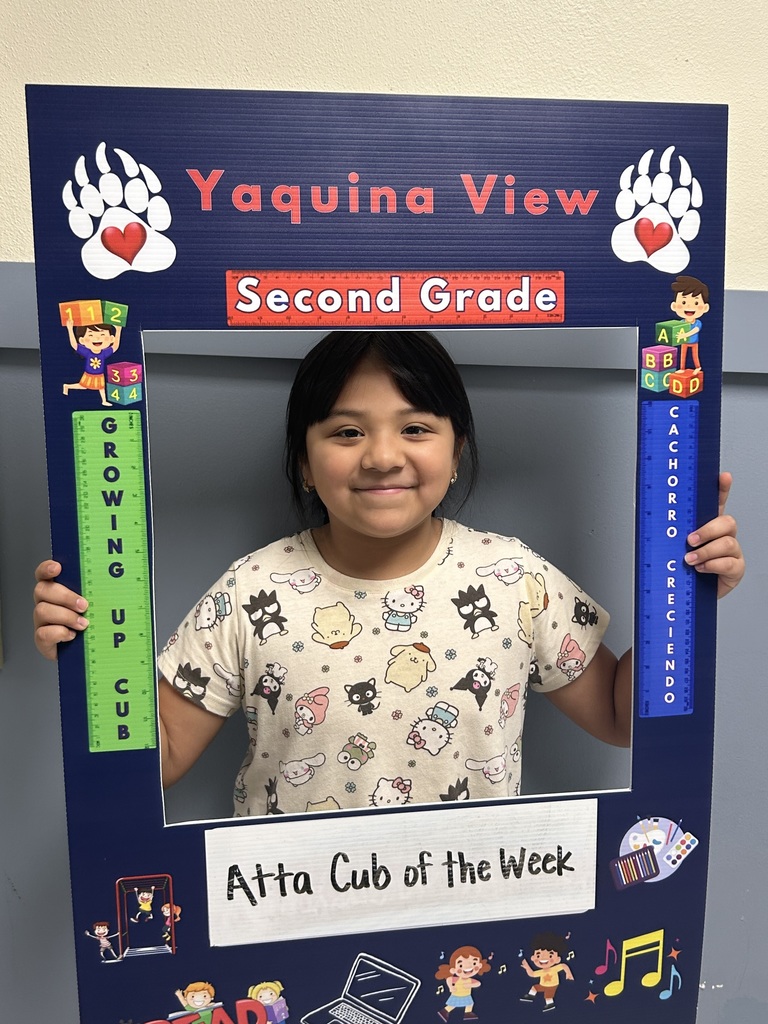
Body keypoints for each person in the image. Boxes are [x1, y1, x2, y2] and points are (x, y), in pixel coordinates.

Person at [33, 331, 745, 817]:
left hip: (468, 923)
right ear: (305, 463)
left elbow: (623, 721)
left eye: (415, 428)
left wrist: (683, 589)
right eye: (346, 432)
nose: (381, 456)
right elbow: (152, 756)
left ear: (456, 450)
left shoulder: (515, 578)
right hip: (287, 924)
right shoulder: (252, 590)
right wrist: (88, 656)